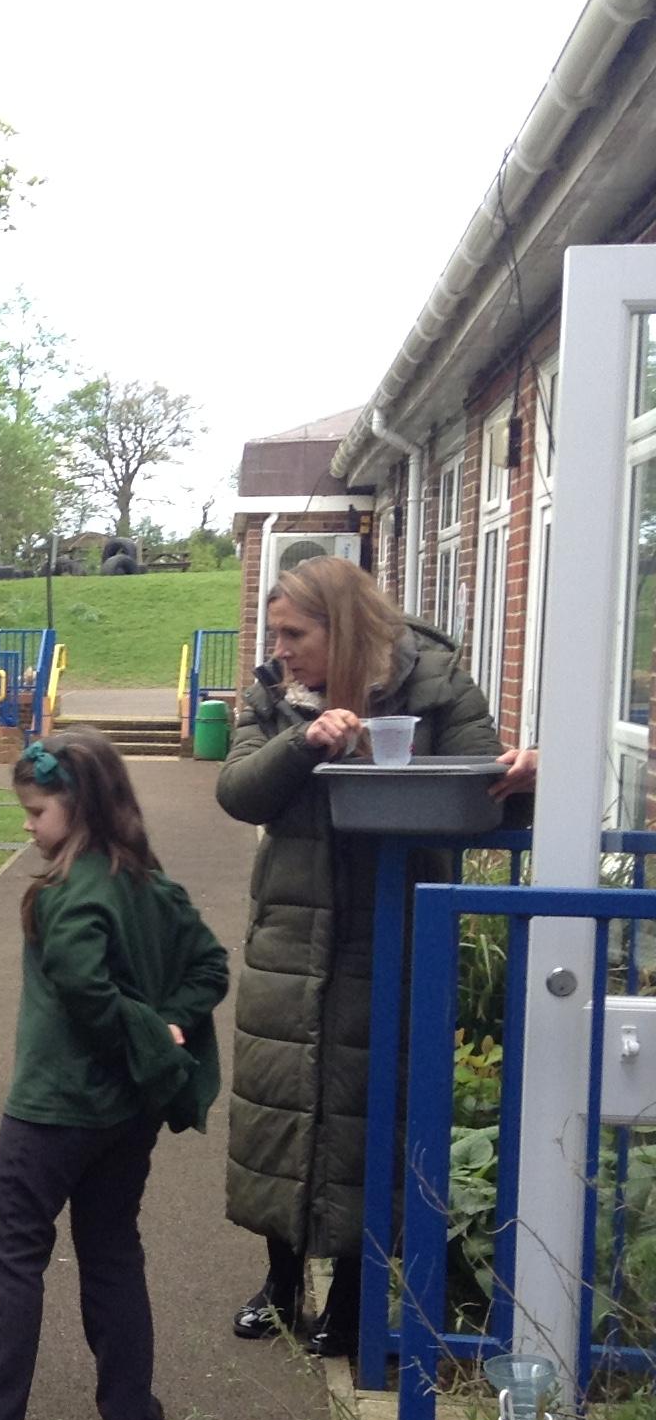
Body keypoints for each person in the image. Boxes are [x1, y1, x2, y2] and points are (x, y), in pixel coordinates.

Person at [0, 729, 229, 1420]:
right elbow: (211, 966)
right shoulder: (152, 884)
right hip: (129, 1115)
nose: (27, 825)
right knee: (112, 1250)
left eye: (36, 811)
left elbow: (86, 989)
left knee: (15, 1255)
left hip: (52, 1109)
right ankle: (129, 1412)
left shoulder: (68, 895)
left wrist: (149, 1034)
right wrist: (169, 1027)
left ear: (78, 809)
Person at [219, 556, 502, 1358]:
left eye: (294, 634)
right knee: (279, 1109)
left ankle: (351, 1299)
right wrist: (303, 741)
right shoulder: (274, 694)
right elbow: (239, 791)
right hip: (290, 936)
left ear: (342, 629)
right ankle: (280, 1284)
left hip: (394, 933)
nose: (279, 650)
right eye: (276, 633)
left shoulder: (436, 684)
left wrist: (523, 776)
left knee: (367, 1116)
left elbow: (481, 788)